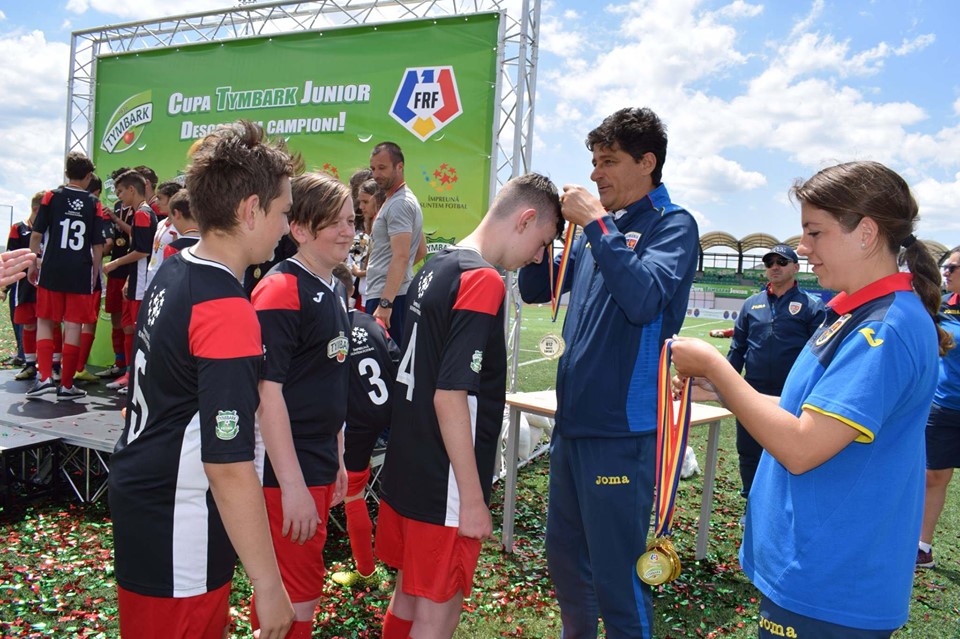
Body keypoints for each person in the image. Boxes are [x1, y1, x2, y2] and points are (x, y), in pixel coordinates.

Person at [671, 161, 949, 637]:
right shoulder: (854, 312)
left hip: (831, 582)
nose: (803, 249)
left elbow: (802, 447)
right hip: (813, 568)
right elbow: (811, 412)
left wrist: (717, 366)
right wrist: (720, 390)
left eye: (815, 233)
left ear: (866, 234)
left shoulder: (884, 327)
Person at [109, 120, 297, 639]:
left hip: (154, 499)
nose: (286, 227)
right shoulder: (225, 307)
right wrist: (268, 584)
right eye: (283, 212)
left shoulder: (178, 266)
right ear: (250, 210)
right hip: (177, 515)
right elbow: (229, 465)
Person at [517, 106, 699, 638]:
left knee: (618, 580)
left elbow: (643, 300)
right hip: (574, 426)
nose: (596, 173)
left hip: (623, 433)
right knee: (568, 565)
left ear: (648, 163)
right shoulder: (607, 230)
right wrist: (542, 234)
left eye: (609, 161)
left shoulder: (673, 225)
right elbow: (537, 289)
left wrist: (596, 223)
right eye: (593, 161)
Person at [375, 172, 562, 639]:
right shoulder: (483, 280)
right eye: (542, 243)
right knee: (438, 613)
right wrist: (474, 500)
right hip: (446, 482)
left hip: (410, 466)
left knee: (408, 595)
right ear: (525, 219)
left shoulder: (437, 266)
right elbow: (450, 394)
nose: (539, 257)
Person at [249, 172, 354, 638]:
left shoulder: (332, 286)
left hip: (315, 459)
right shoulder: (280, 289)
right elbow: (265, 394)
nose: (348, 231)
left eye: (352, 220)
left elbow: (327, 379)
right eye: (335, 222)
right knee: (289, 590)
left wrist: (338, 457)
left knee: (304, 584)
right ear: (300, 229)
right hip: (283, 468)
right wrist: (290, 484)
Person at [726, 243, 825, 498]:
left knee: (786, 451)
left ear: (796, 267)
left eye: (781, 262)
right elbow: (737, 349)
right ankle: (750, 498)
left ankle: (781, 501)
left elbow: (819, 357)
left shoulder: (812, 307)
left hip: (791, 393)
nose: (774, 267)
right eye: (769, 263)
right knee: (748, 449)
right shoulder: (751, 304)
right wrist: (724, 383)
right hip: (752, 391)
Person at [330, 262, 400, 589]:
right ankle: (398, 559)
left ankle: (367, 571)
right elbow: (396, 360)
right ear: (352, 290)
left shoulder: (329, 328)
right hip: (391, 415)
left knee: (354, 495)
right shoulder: (372, 323)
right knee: (395, 488)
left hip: (355, 422)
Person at [25, 151, 106, 401]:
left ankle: (46, 377)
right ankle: (67, 385)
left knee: (46, 321)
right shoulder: (95, 204)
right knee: (73, 325)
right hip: (80, 271)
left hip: (52, 268)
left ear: (66, 173)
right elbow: (98, 246)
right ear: (89, 176)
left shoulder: (51, 196)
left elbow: (37, 234)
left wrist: (31, 264)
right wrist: (95, 273)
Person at [917, 246, 960, 568]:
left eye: (953, 268)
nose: (946, 272)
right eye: (945, 267)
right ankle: (922, 546)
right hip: (945, 406)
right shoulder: (941, 309)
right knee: (934, 476)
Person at [102, 170, 158, 394]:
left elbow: (142, 251)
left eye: (121, 192)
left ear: (132, 190)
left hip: (143, 281)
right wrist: (126, 277)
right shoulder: (139, 213)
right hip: (134, 280)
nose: (119, 197)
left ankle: (137, 378)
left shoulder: (144, 214)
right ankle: (128, 373)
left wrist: (115, 264)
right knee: (127, 327)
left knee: (137, 330)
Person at [365, 142, 427, 340]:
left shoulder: (400, 203)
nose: (376, 174)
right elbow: (420, 251)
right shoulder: (397, 200)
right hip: (390, 295)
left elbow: (401, 257)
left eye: (382, 168)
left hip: (388, 300)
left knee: (386, 363)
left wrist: (386, 303)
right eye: (373, 169)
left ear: (399, 167)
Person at [97, 166, 135, 381]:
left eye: (120, 189)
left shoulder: (141, 210)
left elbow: (136, 235)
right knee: (116, 319)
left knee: (130, 323)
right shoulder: (118, 206)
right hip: (116, 268)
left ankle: (130, 368)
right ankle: (119, 363)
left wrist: (116, 219)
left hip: (132, 270)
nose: (118, 194)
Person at [7, 193, 42, 381]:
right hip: (24, 288)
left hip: (46, 285)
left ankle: (51, 367)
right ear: (36, 209)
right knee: (28, 324)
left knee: (49, 324)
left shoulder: (50, 229)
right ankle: (28, 363)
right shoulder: (18, 229)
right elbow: (12, 258)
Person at [350, 178, 385, 310]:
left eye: (365, 202)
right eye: (360, 202)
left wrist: (362, 273)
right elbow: (353, 259)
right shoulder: (364, 232)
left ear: (379, 201)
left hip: (378, 299)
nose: (361, 207)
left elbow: (392, 264)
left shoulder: (386, 230)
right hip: (362, 298)